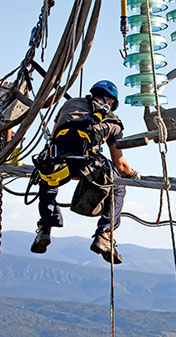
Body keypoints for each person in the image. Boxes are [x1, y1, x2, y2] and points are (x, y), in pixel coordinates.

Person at [30, 80, 140, 264]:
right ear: (111, 102)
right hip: (88, 165)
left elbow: (56, 134)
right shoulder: (113, 120)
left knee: (47, 180)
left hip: (59, 163)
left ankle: (45, 228)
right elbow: (120, 164)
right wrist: (133, 175)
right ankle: (104, 234)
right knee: (118, 186)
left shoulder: (69, 105)